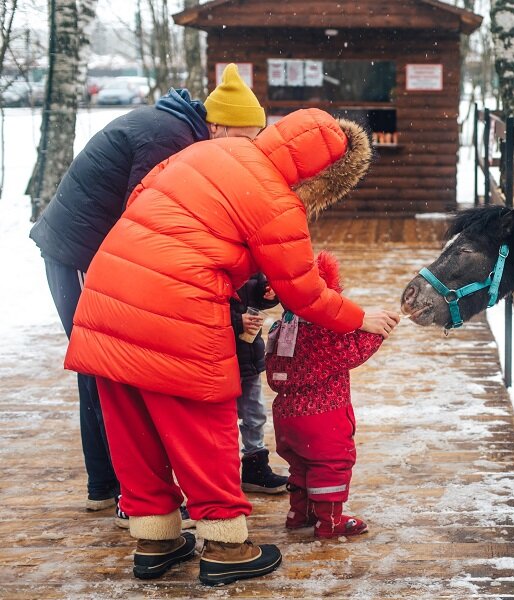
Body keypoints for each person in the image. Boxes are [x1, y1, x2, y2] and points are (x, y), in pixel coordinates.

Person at [64, 107, 399, 585]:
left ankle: (155, 539)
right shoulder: (276, 199)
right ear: (320, 178)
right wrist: (361, 317)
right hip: (175, 307)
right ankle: (225, 547)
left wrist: (228, 267)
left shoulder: (204, 150)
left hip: (106, 296)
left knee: (133, 424)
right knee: (204, 426)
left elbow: (142, 199)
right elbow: (304, 293)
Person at [29, 63, 266, 516]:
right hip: (82, 253)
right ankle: (126, 495)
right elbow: (147, 221)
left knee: (105, 367)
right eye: (241, 138)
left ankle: (109, 486)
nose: (245, 150)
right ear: (214, 125)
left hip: (97, 252)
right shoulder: (170, 140)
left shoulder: (179, 131)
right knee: (109, 363)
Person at [265, 251, 385, 539]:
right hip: (323, 415)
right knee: (331, 463)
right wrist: (377, 332)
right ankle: (330, 521)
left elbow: (272, 370)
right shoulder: (324, 329)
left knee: (301, 465)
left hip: (286, 416)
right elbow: (350, 352)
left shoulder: (281, 327)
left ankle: (299, 513)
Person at [231, 273, 289, 494]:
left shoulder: (249, 260)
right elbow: (199, 309)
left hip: (248, 353)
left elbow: (257, 294)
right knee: (222, 421)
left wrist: (268, 293)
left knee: (255, 414)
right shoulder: (209, 258)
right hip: (217, 356)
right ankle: (223, 474)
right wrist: (237, 321)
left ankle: (254, 469)